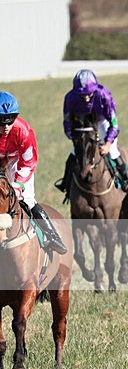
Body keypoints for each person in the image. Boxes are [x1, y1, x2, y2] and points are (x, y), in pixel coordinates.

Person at [0, 90, 67, 254]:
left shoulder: (24, 131)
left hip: (18, 162)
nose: (6, 126)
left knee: (27, 199)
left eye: (10, 120)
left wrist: (18, 184)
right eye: (1, 122)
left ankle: (52, 235)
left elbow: (28, 162)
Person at [56, 69, 128, 198]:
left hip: (102, 122)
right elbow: (67, 122)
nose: (86, 98)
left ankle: (125, 180)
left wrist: (108, 144)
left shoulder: (104, 95)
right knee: (74, 153)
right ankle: (66, 183)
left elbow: (114, 124)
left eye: (89, 94)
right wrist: (75, 139)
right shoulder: (70, 98)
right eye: (82, 94)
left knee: (113, 151)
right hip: (83, 125)